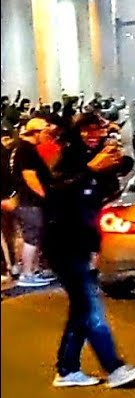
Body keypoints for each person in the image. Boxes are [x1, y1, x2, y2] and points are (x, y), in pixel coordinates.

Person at [44, 116, 135, 388]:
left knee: (81, 309)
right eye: (87, 130)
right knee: (91, 309)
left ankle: (67, 370)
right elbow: (56, 193)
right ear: (76, 132)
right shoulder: (70, 159)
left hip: (83, 242)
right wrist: (91, 169)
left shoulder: (99, 157)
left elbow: (99, 199)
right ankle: (114, 368)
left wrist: (116, 164)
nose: (94, 134)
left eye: (99, 129)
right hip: (62, 243)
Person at [10, 118, 56, 288]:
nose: (48, 135)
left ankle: (34, 271)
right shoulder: (25, 151)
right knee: (31, 237)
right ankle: (27, 273)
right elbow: (30, 178)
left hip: (30, 202)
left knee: (36, 236)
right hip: (30, 202)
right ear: (35, 132)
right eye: (45, 131)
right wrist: (46, 196)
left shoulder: (26, 149)